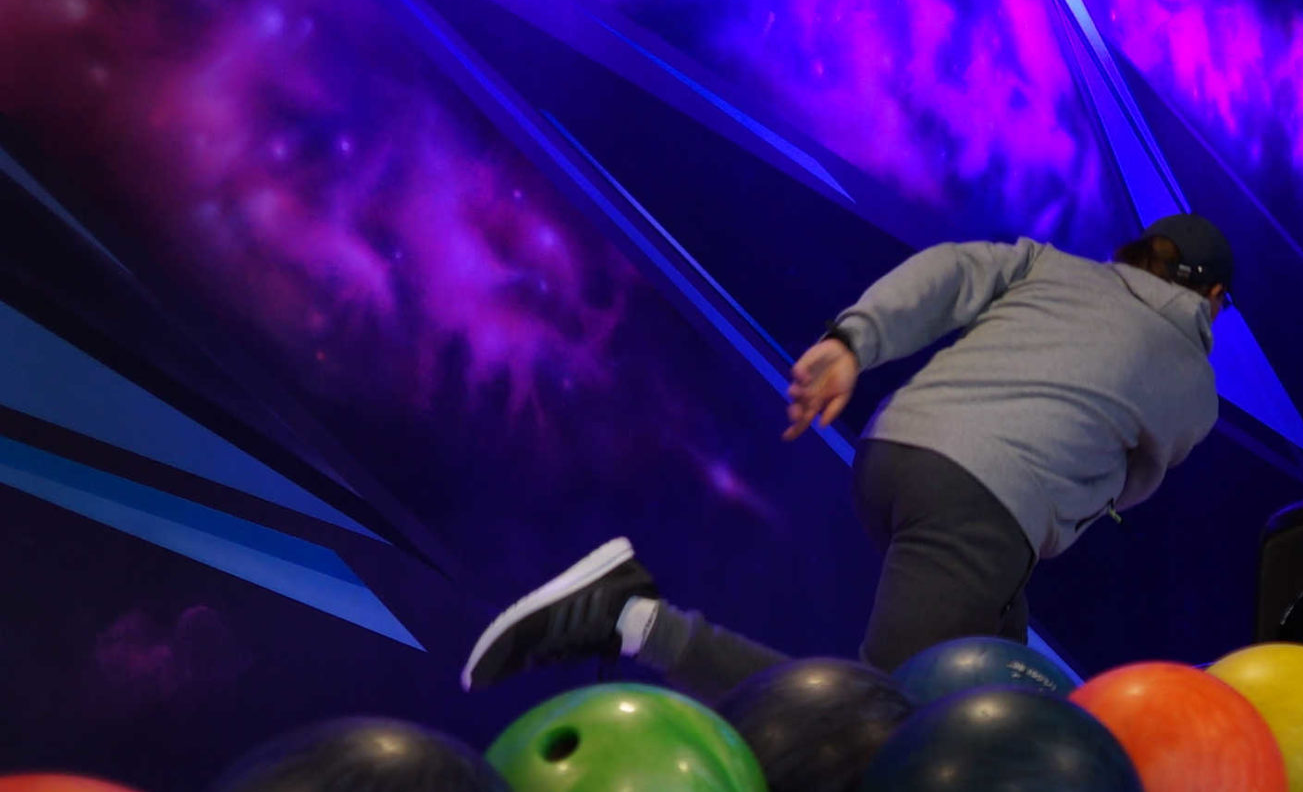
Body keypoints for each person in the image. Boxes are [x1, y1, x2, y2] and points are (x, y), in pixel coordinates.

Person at [461, 214, 1233, 699]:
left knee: (996, 705)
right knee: (874, 722)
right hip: (981, 504)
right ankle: (631, 617)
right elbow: (1140, 475)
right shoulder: (1193, 376)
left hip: (897, 452)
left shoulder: (1050, 266)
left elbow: (947, 273)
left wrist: (851, 341)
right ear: (1212, 301)